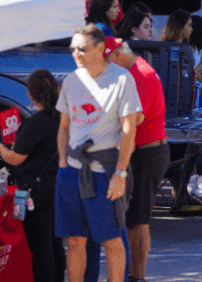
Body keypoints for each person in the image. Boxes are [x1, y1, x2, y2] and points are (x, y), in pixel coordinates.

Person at [55, 24, 143, 282]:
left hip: (105, 171)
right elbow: (63, 127)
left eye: (81, 48)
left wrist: (120, 173)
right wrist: (62, 163)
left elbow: (129, 130)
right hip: (72, 169)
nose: (76, 53)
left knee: (112, 240)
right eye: (72, 48)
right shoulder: (71, 80)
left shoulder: (121, 79)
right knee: (74, 240)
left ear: (100, 48)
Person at [104, 39, 169, 282]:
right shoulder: (135, 71)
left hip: (146, 152)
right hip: (145, 150)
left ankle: (137, 277)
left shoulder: (139, 76)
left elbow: (133, 121)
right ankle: (133, 275)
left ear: (118, 55)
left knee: (137, 221)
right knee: (133, 219)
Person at [0, 69, 65, 282]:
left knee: (41, 249)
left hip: (37, 192)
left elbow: (16, 158)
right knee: (54, 244)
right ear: (56, 90)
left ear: (30, 96)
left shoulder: (35, 123)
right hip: (58, 187)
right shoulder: (63, 118)